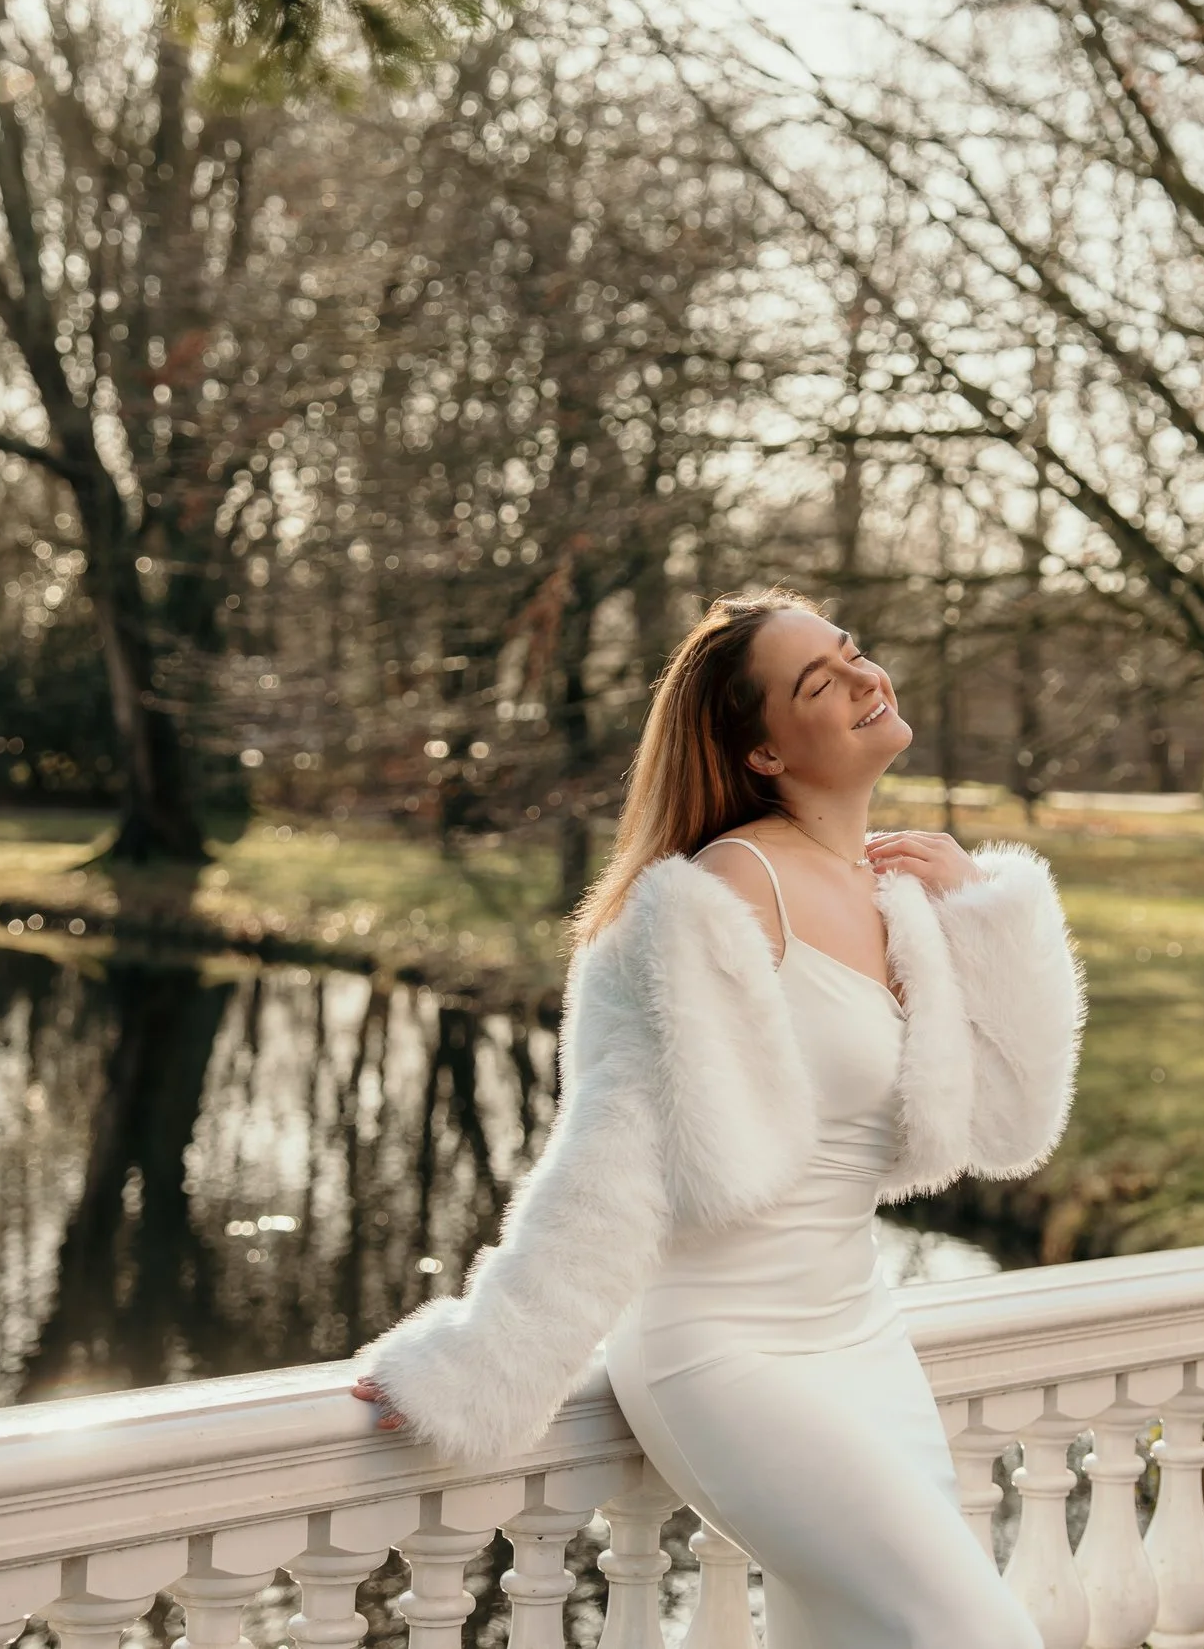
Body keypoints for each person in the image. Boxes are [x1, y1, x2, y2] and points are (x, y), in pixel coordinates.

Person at [352, 584, 1084, 1649]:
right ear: (766, 754)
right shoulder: (717, 897)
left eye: (853, 653)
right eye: (819, 683)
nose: (865, 677)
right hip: (726, 1354)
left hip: (864, 1336)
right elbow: (610, 1155)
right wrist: (479, 1359)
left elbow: (1011, 1127)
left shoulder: (899, 890)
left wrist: (985, 913)